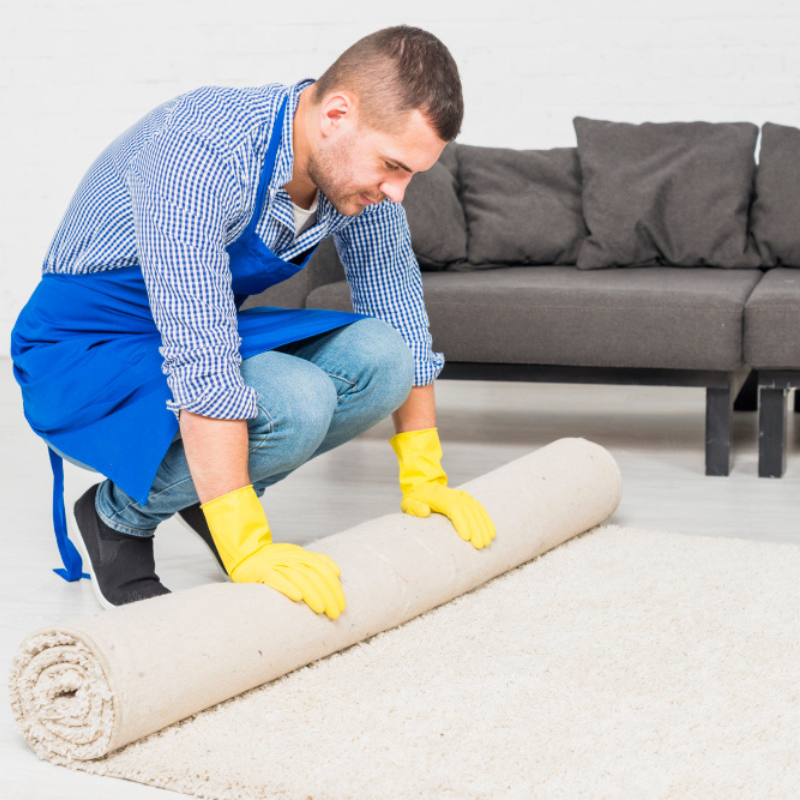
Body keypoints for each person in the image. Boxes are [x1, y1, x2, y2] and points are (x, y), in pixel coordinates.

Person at [11, 25, 495, 617]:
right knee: (296, 400)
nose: (397, 192)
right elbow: (201, 354)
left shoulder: (352, 177)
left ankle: (206, 492)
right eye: (392, 165)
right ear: (336, 115)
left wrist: (426, 477)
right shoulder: (200, 150)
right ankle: (117, 517)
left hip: (192, 325)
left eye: (411, 174)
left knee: (382, 358)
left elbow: (397, 305)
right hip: (83, 351)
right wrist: (247, 544)